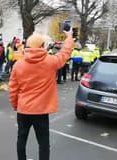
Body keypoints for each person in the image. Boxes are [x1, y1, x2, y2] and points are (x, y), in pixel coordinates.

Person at [9, 30, 74, 160]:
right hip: (41, 111)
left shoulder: (18, 65)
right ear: (41, 46)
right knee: (43, 143)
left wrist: (16, 105)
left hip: (23, 109)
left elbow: (13, 89)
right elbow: (64, 53)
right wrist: (69, 38)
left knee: (21, 139)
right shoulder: (50, 62)